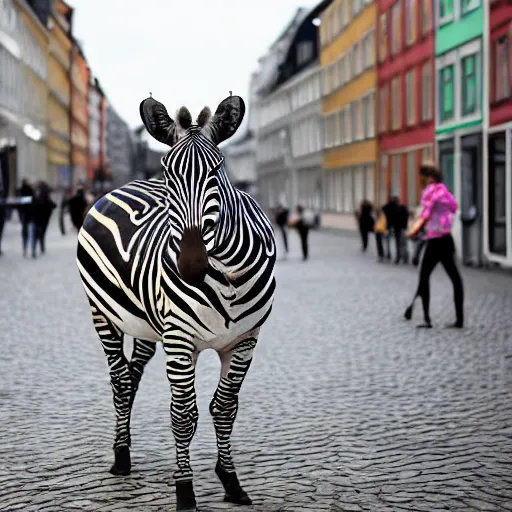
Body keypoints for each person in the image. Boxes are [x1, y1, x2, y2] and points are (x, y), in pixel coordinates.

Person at [404, 161, 464, 329]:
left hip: (435, 241)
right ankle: (460, 319)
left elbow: (425, 214)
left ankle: (427, 319)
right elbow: (453, 208)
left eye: (422, 178)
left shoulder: (430, 192)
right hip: (447, 239)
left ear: (428, 177)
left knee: (424, 277)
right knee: (455, 278)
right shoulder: (445, 191)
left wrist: (413, 231)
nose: (421, 181)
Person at [32, 182, 56, 256]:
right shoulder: (46, 197)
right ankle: (41, 246)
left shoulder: (37, 197)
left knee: (36, 234)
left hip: (37, 219)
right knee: (42, 233)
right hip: (44, 219)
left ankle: (34, 249)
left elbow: (33, 207)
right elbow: (53, 205)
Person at [17, 179, 35, 257]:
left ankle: (26, 249)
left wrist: (20, 215)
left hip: (25, 215)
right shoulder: (30, 190)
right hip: (30, 215)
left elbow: (20, 205)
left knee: (25, 233)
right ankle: (31, 250)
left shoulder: (21, 191)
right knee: (31, 234)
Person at [395, 199, 410, 264]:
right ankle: (405, 258)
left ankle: (399, 257)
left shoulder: (397, 210)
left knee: (399, 244)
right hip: (403, 229)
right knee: (404, 244)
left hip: (398, 229)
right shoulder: (405, 211)